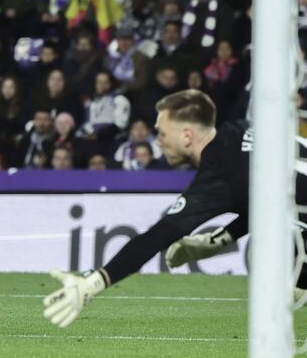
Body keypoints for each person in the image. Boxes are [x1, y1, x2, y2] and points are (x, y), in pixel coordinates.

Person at [41, 90, 257, 328]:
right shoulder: (241, 129)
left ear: (187, 136)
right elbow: (263, 203)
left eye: (162, 133)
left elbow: (154, 239)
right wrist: (218, 240)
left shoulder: (216, 177)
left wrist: (91, 284)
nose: (158, 141)